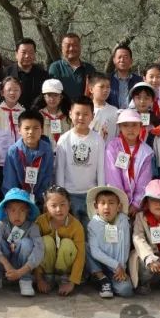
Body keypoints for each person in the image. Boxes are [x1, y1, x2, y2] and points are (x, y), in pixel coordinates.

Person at [54, 96, 106, 225]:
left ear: (92, 116)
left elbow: (101, 169)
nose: (81, 118)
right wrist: (62, 196)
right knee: (72, 229)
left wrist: (100, 194)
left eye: (86, 114)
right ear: (70, 114)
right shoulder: (64, 139)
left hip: (91, 195)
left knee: (91, 229)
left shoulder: (98, 140)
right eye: (77, 113)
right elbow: (59, 170)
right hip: (70, 194)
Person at [0, 188, 44, 297]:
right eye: (12, 210)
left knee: (27, 243)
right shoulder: (2, 225)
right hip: (4, 266)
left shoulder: (33, 227)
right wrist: (6, 264)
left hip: (22, 267)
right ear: (6, 211)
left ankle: (25, 280)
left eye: (22, 210)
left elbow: (39, 249)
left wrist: (20, 272)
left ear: (28, 211)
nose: (17, 215)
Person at [33, 185, 85, 296]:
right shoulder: (40, 222)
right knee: (45, 241)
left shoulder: (76, 226)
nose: (58, 209)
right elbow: (35, 251)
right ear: (46, 206)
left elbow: (80, 255)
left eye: (62, 204)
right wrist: (39, 279)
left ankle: (63, 277)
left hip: (66, 269)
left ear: (69, 204)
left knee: (67, 244)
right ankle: (48, 277)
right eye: (53, 205)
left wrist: (72, 282)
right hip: (46, 268)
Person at [84, 184, 133, 298]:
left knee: (126, 290)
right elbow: (95, 252)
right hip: (101, 265)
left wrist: (121, 268)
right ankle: (102, 278)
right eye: (102, 203)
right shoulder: (93, 224)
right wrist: (115, 265)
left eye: (111, 203)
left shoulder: (123, 221)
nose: (106, 207)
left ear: (119, 207)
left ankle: (108, 282)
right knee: (85, 247)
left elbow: (125, 247)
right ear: (96, 206)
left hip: (118, 267)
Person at [103, 109, 153, 217]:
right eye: (125, 125)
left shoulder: (147, 151)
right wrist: (120, 201)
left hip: (136, 207)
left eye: (134, 125)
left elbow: (144, 180)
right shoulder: (112, 147)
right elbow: (112, 176)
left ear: (141, 126)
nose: (130, 129)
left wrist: (136, 203)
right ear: (119, 127)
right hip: (116, 203)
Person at [1, 111, 54, 210]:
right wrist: (18, 200)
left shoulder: (47, 150)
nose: (31, 132)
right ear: (19, 130)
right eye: (27, 128)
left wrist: (41, 200)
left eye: (36, 128)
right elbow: (10, 181)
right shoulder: (13, 151)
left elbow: (48, 178)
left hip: (41, 201)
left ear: (42, 130)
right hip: (17, 201)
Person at [0, 77, 24, 180]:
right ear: (2, 92)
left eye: (16, 90)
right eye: (9, 90)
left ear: (21, 92)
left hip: (20, 160)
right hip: (0, 161)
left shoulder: (23, 112)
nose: (12, 93)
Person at [47, 33, 97, 100]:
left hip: (84, 106)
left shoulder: (89, 68)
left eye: (75, 45)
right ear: (62, 48)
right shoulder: (56, 67)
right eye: (68, 46)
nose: (71, 49)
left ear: (80, 47)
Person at [3, 37, 48, 109]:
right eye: (23, 52)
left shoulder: (43, 75)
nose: (27, 56)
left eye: (31, 53)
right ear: (16, 54)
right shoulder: (5, 73)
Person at [33, 78, 71, 145]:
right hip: (45, 150)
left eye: (56, 95)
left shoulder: (68, 115)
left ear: (61, 97)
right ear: (44, 97)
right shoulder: (38, 115)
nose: (52, 99)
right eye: (49, 95)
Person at [105, 44, 143, 109]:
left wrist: (144, 118)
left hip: (133, 115)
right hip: (112, 114)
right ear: (114, 60)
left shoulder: (139, 81)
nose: (122, 60)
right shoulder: (107, 80)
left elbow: (144, 102)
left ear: (131, 61)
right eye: (119, 57)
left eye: (125, 57)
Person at [88, 73, 119, 142]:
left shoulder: (114, 111)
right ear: (91, 89)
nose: (105, 90)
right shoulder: (85, 110)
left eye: (108, 87)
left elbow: (117, 134)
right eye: (101, 87)